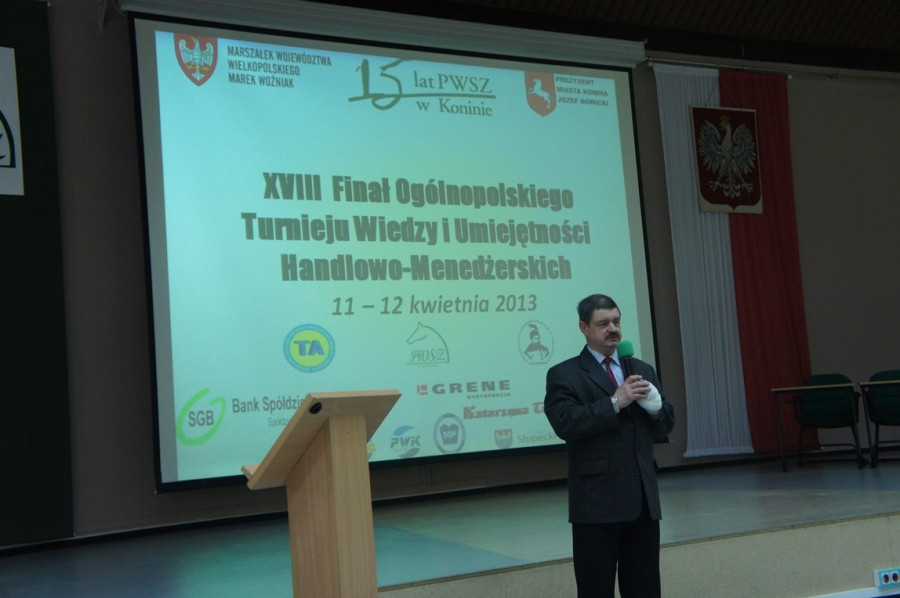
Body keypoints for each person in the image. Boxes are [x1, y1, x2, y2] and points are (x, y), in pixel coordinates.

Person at [544, 294, 675, 597]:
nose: (612, 329)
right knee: (596, 590)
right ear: (584, 328)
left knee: (645, 590)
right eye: (603, 323)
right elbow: (566, 423)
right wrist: (615, 402)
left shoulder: (641, 368)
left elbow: (664, 425)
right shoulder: (565, 374)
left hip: (642, 503)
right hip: (596, 505)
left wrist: (656, 409)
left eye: (616, 321)